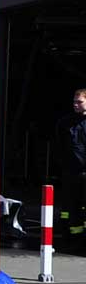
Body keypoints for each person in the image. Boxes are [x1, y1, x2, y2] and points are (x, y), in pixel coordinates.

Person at [55, 89, 86, 250]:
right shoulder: (65, 123)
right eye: (74, 102)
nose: (75, 105)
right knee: (70, 207)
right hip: (71, 172)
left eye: (79, 102)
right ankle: (72, 238)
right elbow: (60, 145)